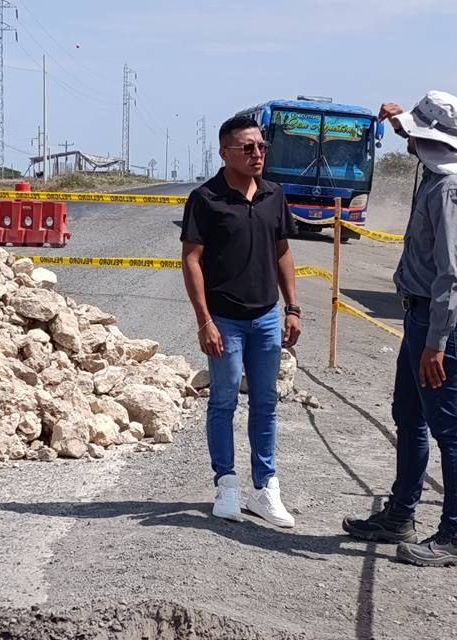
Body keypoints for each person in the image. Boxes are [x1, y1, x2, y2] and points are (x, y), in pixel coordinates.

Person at [341, 91, 457, 567]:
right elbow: (418, 139)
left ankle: (454, 537)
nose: (407, 138)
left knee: (450, 430)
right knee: (409, 416)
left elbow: (453, 274)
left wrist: (436, 343)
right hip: (423, 316)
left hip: (441, 321)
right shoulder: (441, 170)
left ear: (429, 138)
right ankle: (400, 515)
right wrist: (400, 121)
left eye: (413, 132)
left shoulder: (452, 191)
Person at [180, 115, 302, 528]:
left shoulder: (273, 194)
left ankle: (265, 488)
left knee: (266, 401)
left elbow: (282, 251)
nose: (257, 154)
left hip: (266, 317)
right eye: (247, 148)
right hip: (225, 319)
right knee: (224, 399)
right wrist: (205, 321)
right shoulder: (205, 198)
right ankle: (227, 484)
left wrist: (293, 307)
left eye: (262, 146)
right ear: (224, 153)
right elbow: (191, 259)